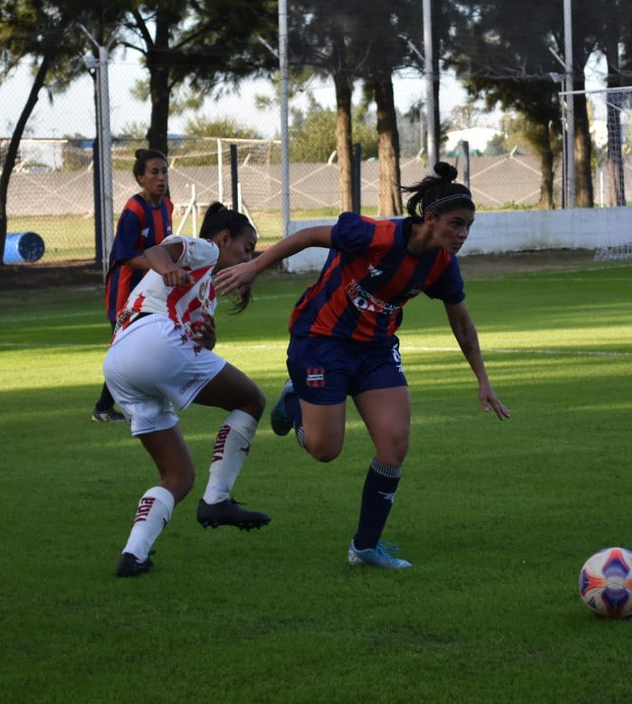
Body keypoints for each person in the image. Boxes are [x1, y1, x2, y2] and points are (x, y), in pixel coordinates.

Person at [215, 162, 510, 570]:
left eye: (468, 227)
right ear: (430, 218)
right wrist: (254, 266)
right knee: (324, 450)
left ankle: (365, 547)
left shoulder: (442, 263)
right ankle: (294, 402)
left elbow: (461, 322)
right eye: (456, 224)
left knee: (395, 443)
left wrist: (483, 379)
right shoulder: (377, 235)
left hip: (375, 350)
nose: (462, 234)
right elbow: (309, 235)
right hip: (321, 341)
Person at [104, 203, 270, 578]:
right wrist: (168, 269)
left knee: (178, 476)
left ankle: (134, 554)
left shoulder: (205, 289)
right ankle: (217, 500)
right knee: (251, 399)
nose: (250, 258)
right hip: (151, 343)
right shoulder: (205, 249)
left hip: (118, 361)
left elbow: (192, 343)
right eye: (247, 248)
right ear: (224, 238)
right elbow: (156, 252)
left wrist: (208, 339)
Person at [93, 148, 175, 422]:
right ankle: (105, 407)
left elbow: (165, 247)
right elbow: (125, 255)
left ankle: (121, 404)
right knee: (125, 348)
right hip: (125, 291)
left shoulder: (167, 206)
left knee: (144, 345)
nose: (161, 177)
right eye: (154, 172)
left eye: (164, 171)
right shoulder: (134, 211)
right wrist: (161, 266)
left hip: (152, 290)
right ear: (140, 178)